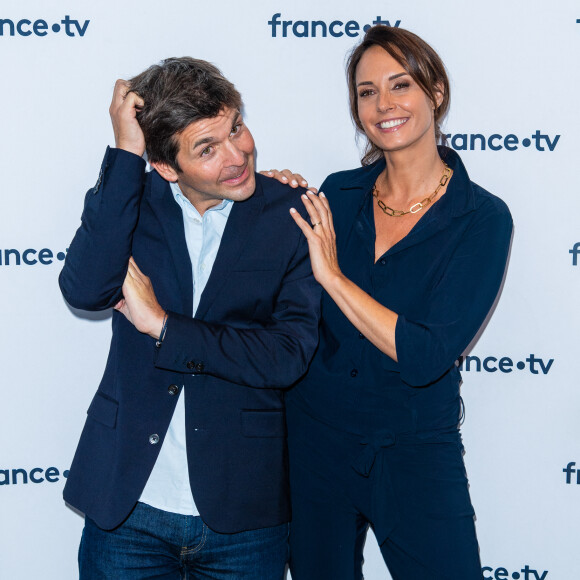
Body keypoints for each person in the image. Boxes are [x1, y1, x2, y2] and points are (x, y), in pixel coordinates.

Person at [58, 57, 320, 579]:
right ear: (166, 166)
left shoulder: (291, 214)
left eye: (236, 128)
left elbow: (287, 356)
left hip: (243, 513)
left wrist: (164, 327)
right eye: (208, 148)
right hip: (128, 506)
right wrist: (126, 151)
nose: (238, 155)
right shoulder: (133, 200)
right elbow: (85, 289)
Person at [279, 25, 513, 579]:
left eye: (400, 84)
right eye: (366, 92)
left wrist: (334, 278)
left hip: (413, 450)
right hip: (315, 442)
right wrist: (264, 194)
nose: (384, 104)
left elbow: (426, 353)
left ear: (435, 93)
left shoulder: (482, 218)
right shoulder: (335, 194)